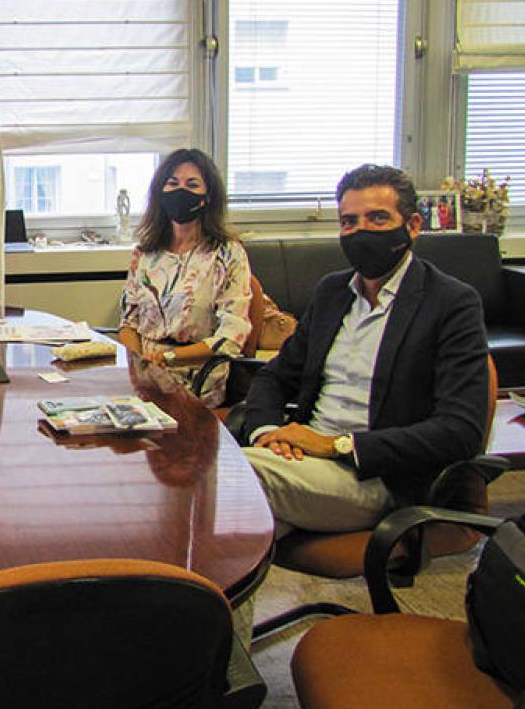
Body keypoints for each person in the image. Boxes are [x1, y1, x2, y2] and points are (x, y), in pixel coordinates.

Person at [240, 164, 489, 538]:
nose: (361, 232)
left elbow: (459, 431)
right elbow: (275, 376)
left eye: (377, 218)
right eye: (349, 221)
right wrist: (267, 431)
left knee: (219, 478)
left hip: (374, 477)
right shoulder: (332, 292)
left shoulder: (451, 302)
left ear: (414, 226)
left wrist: (337, 445)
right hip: (296, 462)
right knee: (235, 531)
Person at [118, 148, 253, 407]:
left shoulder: (227, 254)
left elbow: (231, 338)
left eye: (192, 184)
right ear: (160, 192)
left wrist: (169, 358)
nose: (181, 191)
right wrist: (138, 366)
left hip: (197, 381)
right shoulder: (145, 254)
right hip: (144, 379)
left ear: (208, 196)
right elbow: (128, 323)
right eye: (172, 183)